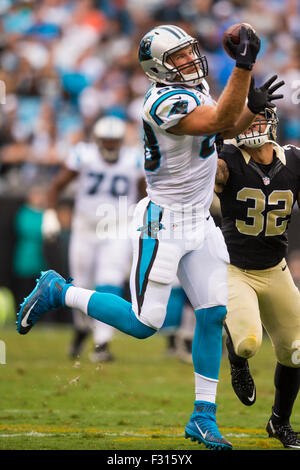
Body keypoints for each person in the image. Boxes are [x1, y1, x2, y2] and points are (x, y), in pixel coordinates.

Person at [17, 23, 276, 450]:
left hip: (198, 219)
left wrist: (251, 110)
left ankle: (203, 417)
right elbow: (219, 119)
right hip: (164, 220)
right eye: (179, 57)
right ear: (159, 67)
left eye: (191, 51)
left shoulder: (193, 89)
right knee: (143, 324)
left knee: (212, 315)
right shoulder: (163, 101)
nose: (191, 60)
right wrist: (244, 68)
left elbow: (224, 129)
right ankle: (59, 291)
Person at [215, 107, 300, 449]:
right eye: (245, 120)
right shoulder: (227, 159)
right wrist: (218, 134)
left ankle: (279, 422)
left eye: (257, 119)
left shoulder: (294, 160)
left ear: (272, 122)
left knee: (296, 352)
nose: (252, 127)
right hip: (235, 269)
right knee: (248, 343)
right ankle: (236, 357)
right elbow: (206, 172)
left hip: (276, 268)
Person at [42, 115, 145, 362]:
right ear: (97, 140)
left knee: (109, 281)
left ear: (121, 141)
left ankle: (102, 343)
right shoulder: (83, 155)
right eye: (106, 141)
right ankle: (81, 328)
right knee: (79, 285)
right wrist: (50, 213)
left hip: (119, 227)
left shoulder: (134, 159)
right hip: (85, 228)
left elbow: (144, 195)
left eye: (114, 141)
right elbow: (56, 185)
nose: (109, 145)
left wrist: (143, 225)